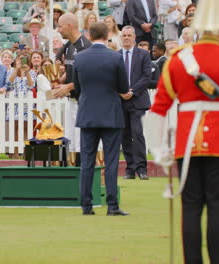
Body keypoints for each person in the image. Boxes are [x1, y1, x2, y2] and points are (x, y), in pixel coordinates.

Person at [148, 0, 219, 262]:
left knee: (191, 210)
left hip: (188, 145)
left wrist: (158, 148)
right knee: (218, 211)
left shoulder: (179, 57)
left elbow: (158, 108)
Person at [73, 22, 129, 216]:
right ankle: (112, 205)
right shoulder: (115, 57)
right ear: (107, 36)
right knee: (111, 161)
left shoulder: (80, 58)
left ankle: (86, 206)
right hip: (111, 114)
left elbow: (77, 88)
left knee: (87, 161)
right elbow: (123, 87)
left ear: (89, 35)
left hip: (88, 113)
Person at [54, 13, 92, 166]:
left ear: (69, 26)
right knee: (70, 134)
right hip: (72, 99)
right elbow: (71, 71)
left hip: (84, 100)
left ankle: (82, 169)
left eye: (60, 26)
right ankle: (73, 170)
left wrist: (69, 86)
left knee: (80, 135)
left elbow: (89, 75)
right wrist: (60, 81)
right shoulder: (69, 46)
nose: (58, 30)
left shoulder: (85, 46)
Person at [119, 25, 151, 180]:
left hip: (137, 100)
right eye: (124, 35)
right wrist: (121, 92)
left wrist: (132, 91)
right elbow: (113, 77)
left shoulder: (143, 55)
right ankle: (130, 169)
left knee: (137, 134)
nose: (126, 38)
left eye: (129, 35)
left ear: (134, 37)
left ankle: (142, 168)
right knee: (124, 136)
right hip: (120, 101)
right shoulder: (116, 56)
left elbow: (146, 77)